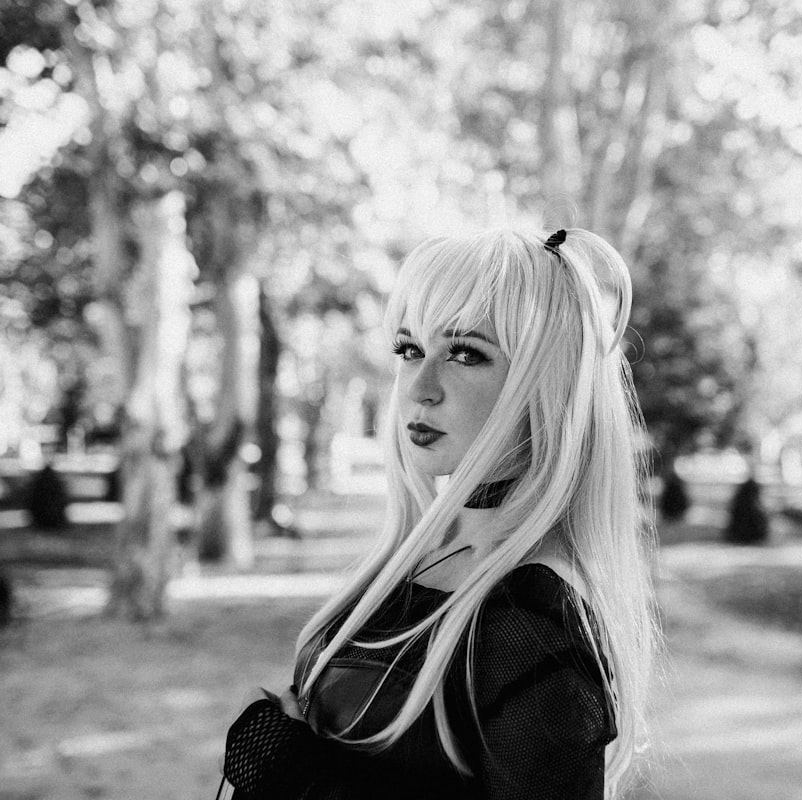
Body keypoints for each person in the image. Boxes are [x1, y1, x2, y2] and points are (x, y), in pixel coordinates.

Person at [218, 227, 658, 799]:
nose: (420, 388)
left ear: (546, 386)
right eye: (410, 350)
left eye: (467, 354)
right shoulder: (421, 555)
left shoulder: (534, 621)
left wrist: (300, 774)